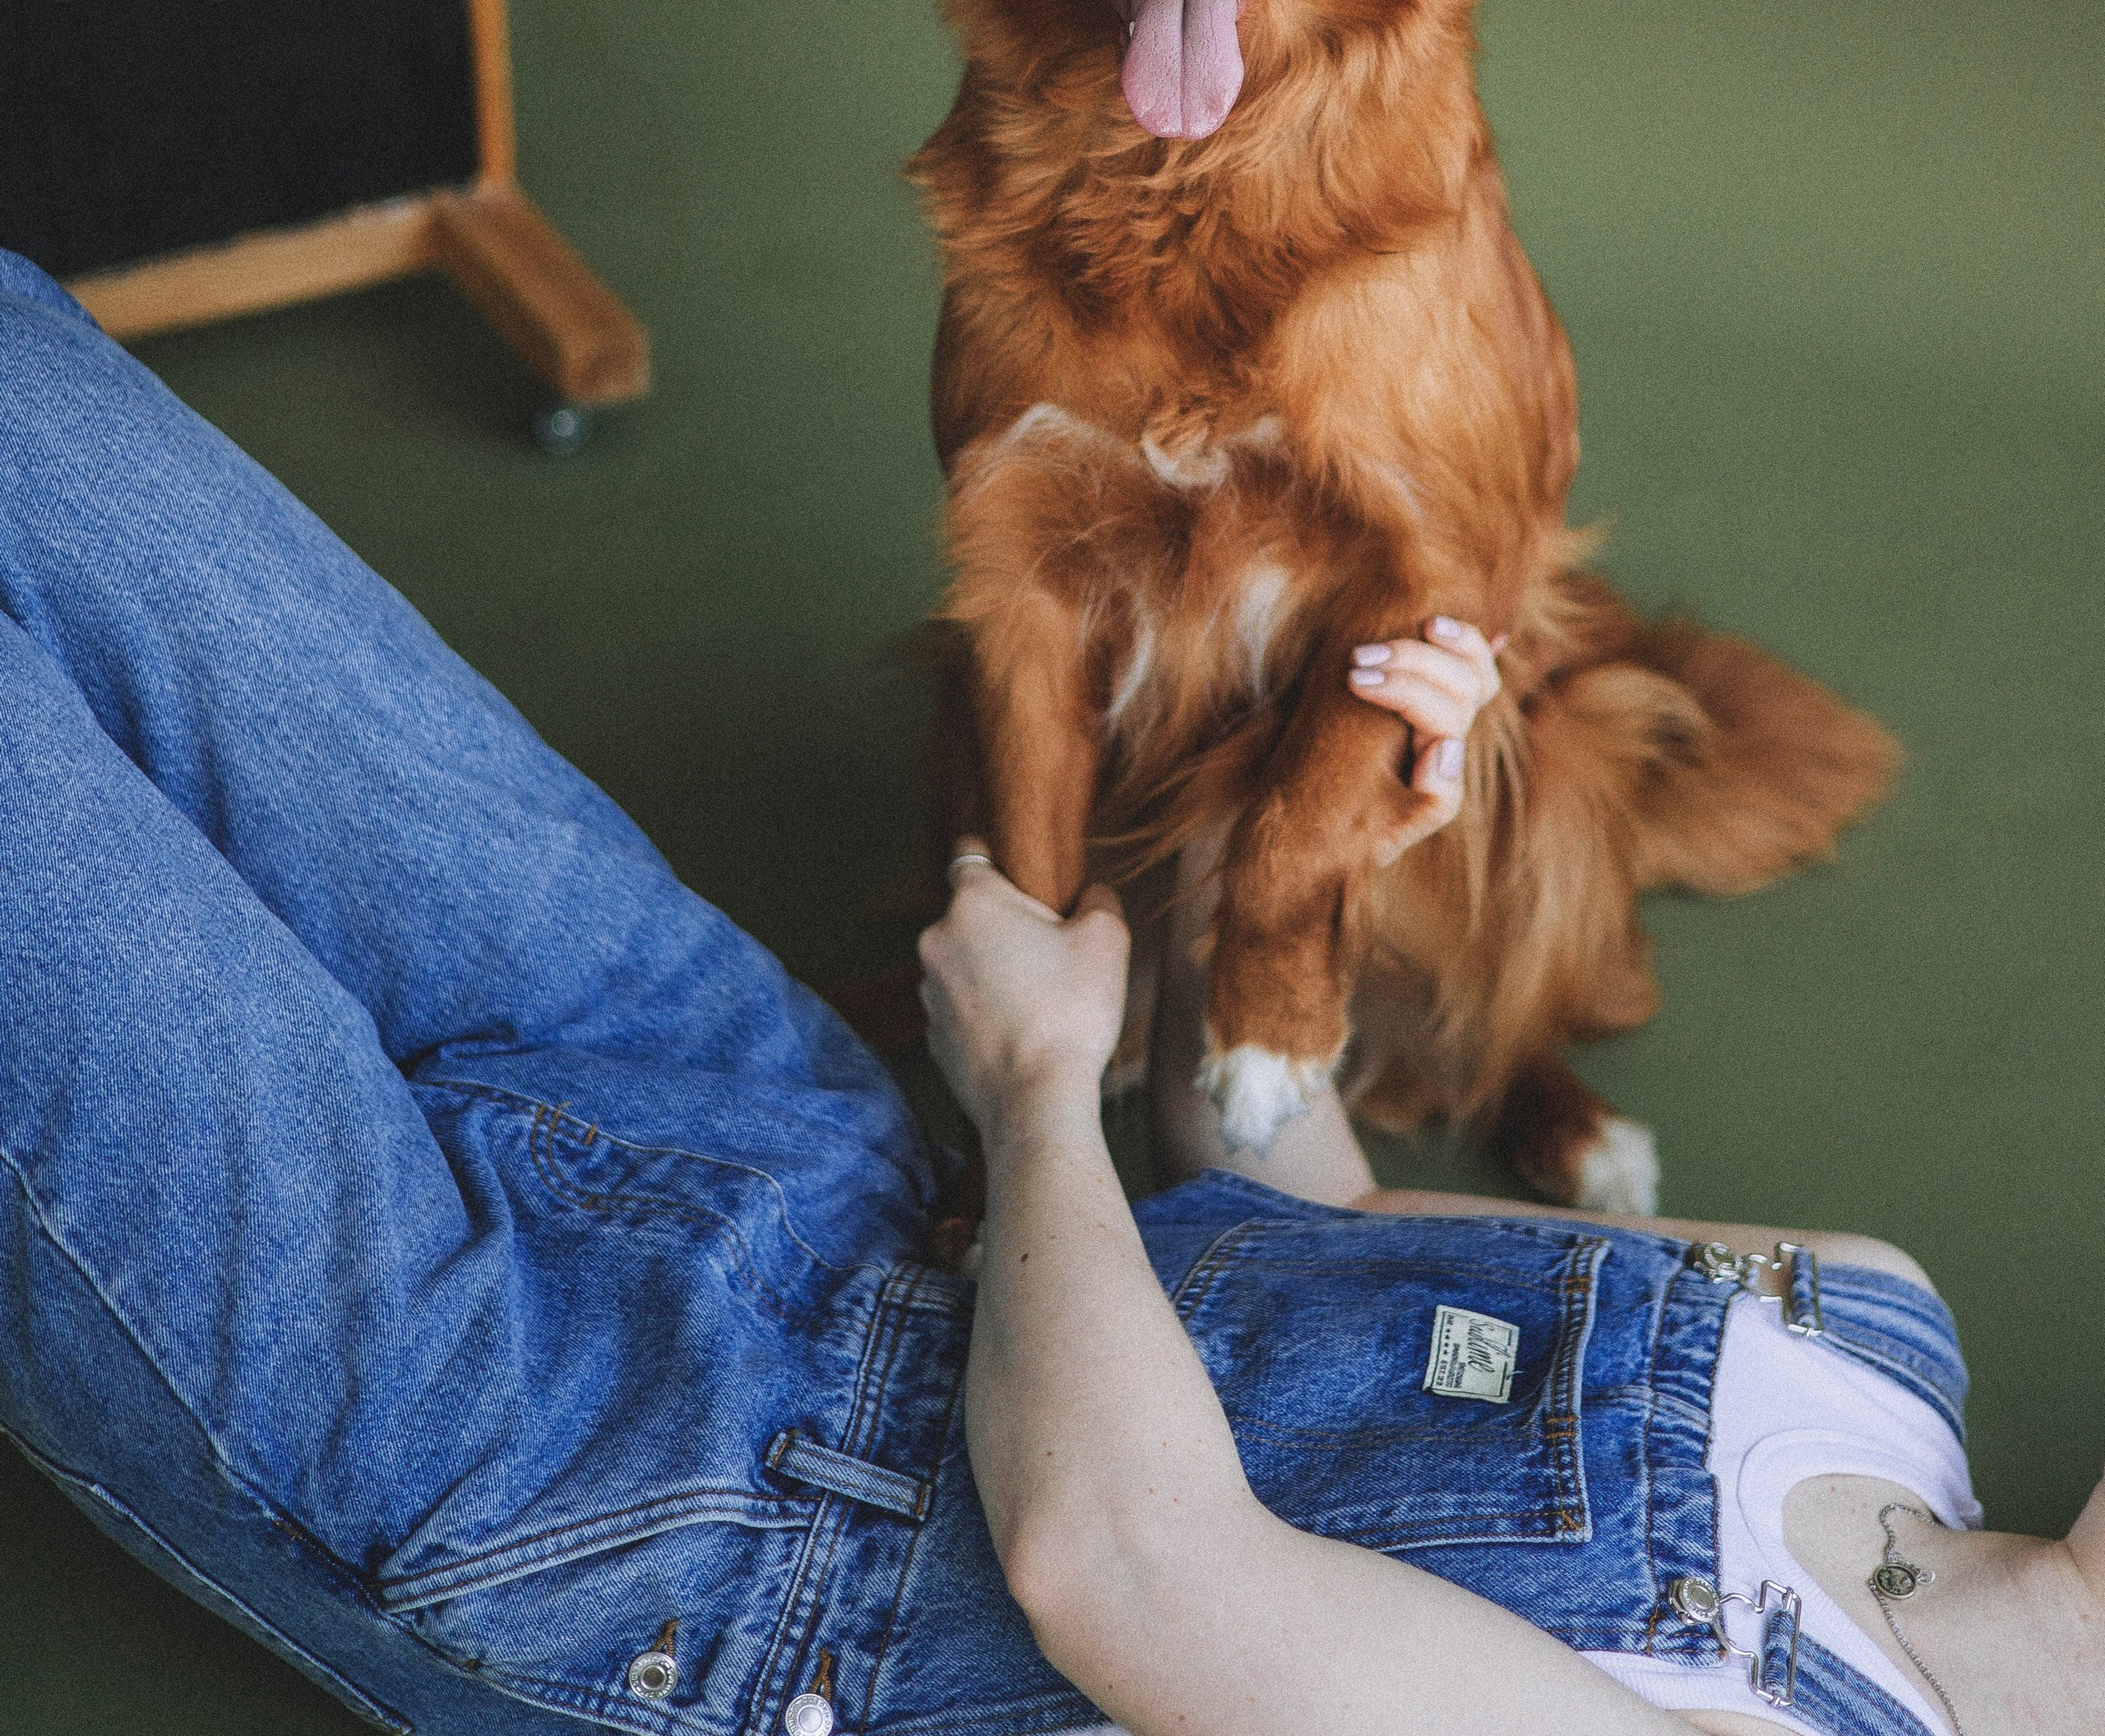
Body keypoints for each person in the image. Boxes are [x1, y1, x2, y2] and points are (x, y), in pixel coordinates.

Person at [0, 248, 2095, 1736]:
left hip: (634, 1520)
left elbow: (1123, 1559)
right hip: (795, 1147)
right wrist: (1305, 858)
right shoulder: (1863, 1326)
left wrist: (1030, 1087)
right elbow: (1309, 1222)